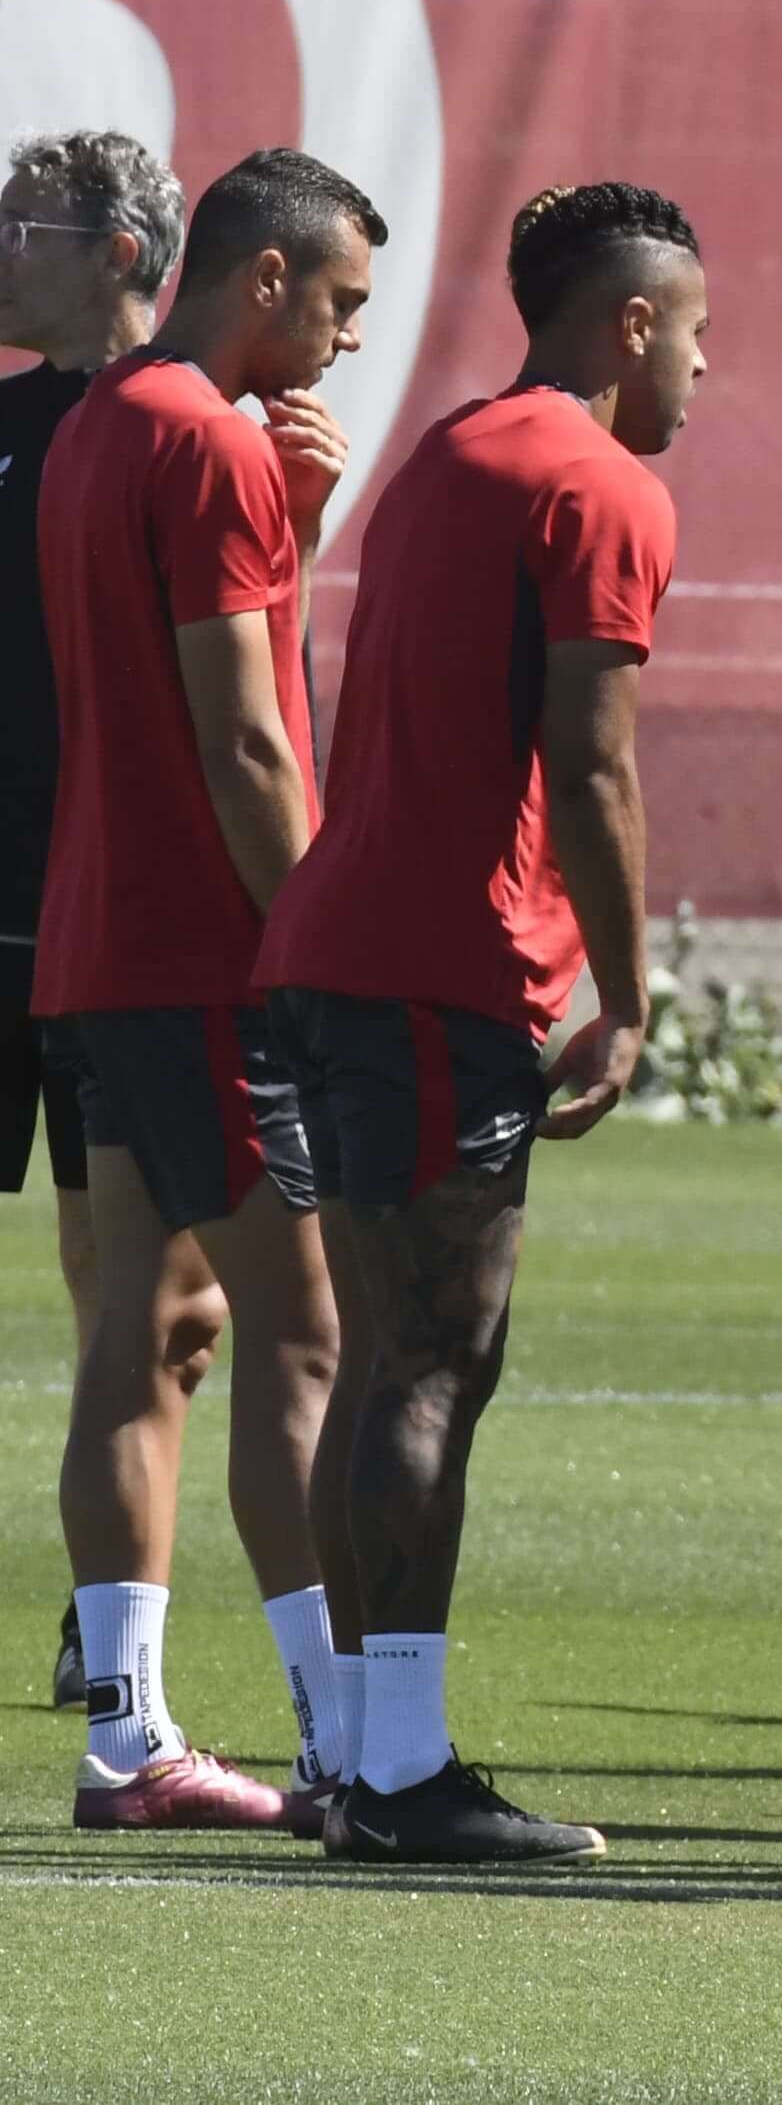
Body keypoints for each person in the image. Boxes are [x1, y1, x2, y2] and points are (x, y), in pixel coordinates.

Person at [255, 181, 704, 1865]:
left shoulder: (451, 446)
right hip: (439, 967)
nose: (705, 373)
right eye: (699, 332)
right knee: (438, 1360)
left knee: (386, 1360)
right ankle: (401, 1771)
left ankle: (358, 1753)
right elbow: (590, 763)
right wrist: (634, 991)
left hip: (336, 941)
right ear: (633, 321)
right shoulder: (600, 481)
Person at [39, 145, 376, 1834]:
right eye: (340, 301)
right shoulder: (209, 436)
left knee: (145, 1332)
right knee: (307, 1338)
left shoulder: (102, 422)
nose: (347, 339)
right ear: (264, 276)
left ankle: (128, 1735)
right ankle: (350, 1741)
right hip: (211, 963)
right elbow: (244, 735)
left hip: (101, 950)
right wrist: (316, 936)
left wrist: (291, 524)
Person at [1, 134, 225, 1719]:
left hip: (104, 920)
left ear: (123, 248)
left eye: (31, 228)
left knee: (126, 1273)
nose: (6, 250)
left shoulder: (187, 431)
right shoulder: (14, 424)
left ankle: (111, 1621)